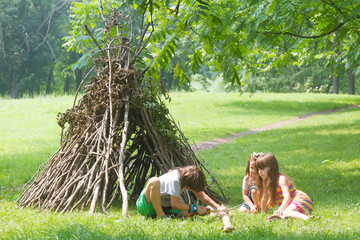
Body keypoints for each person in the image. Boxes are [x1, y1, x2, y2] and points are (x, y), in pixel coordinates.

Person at [136, 165, 227, 219]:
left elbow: (201, 195)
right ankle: (161, 215)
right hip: (146, 205)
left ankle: (214, 213)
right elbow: (175, 204)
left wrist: (217, 207)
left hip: (164, 204)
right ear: (188, 185)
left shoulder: (185, 178)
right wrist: (196, 208)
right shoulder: (175, 180)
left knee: (186, 214)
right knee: (154, 181)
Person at [255, 153, 314, 221]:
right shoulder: (266, 181)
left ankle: (307, 218)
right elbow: (264, 198)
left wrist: (280, 210)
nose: (259, 172)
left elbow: (287, 197)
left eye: (262, 169)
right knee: (284, 215)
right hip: (291, 206)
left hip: (301, 200)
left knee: (286, 212)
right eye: (259, 169)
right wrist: (263, 212)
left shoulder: (281, 179)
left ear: (271, 167)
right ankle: (297, 216)